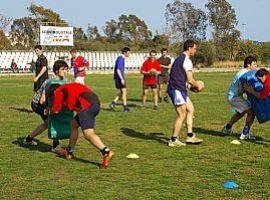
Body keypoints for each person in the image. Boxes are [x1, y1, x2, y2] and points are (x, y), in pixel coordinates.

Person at [49, 83, 114, 169]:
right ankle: (70, 152)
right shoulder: (69, 87)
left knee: (88, 133)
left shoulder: (58, 91)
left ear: (54, 92)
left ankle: (106, 152)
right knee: (73, 124)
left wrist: (48, 111)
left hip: (86, 106)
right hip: (95, 103)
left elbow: (56, 110)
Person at [23, 60, 69, 152]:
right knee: (52, 123)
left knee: (46, 124)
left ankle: (28, 139)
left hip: (45, 105)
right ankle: (55, 146)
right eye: (63, 69)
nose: (65, 71)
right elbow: (42, 100)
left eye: (66, 69)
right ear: (56, 71)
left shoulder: (64, 81)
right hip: (38, 104)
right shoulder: (50, 82)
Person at [167, 39, 204, 147]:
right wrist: (198, 85)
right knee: (181, 114)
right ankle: (173, 140)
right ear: (189, 48)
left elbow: (178, 76)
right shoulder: (186, 61)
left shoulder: (179, 59)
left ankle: (190, 136)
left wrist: (188, 86)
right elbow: (190, 79)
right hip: (176, 90)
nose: (195, 51)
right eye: (194, 48)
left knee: (191, 109)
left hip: (179, 88)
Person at [222, 56, 257, 140]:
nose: (256, 66)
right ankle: (245, 134)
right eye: (254, 64)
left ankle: (227, 128)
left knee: (240, 113)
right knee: (251, 112)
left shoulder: (244, 72)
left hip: (232, 96)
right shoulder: (244, 74)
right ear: (248, 65)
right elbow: (241, 90)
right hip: (234, 97)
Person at [110, 47, 131, 112]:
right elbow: (118, 69)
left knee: (122, 92)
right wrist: (122, 79)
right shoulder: (121, 58)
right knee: (124, 92)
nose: (129, 54)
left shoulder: (121, 58)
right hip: (119, 78)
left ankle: (113, 103)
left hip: (118, 77)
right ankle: (125, 107)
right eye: (128, 53)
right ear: (125, 52)